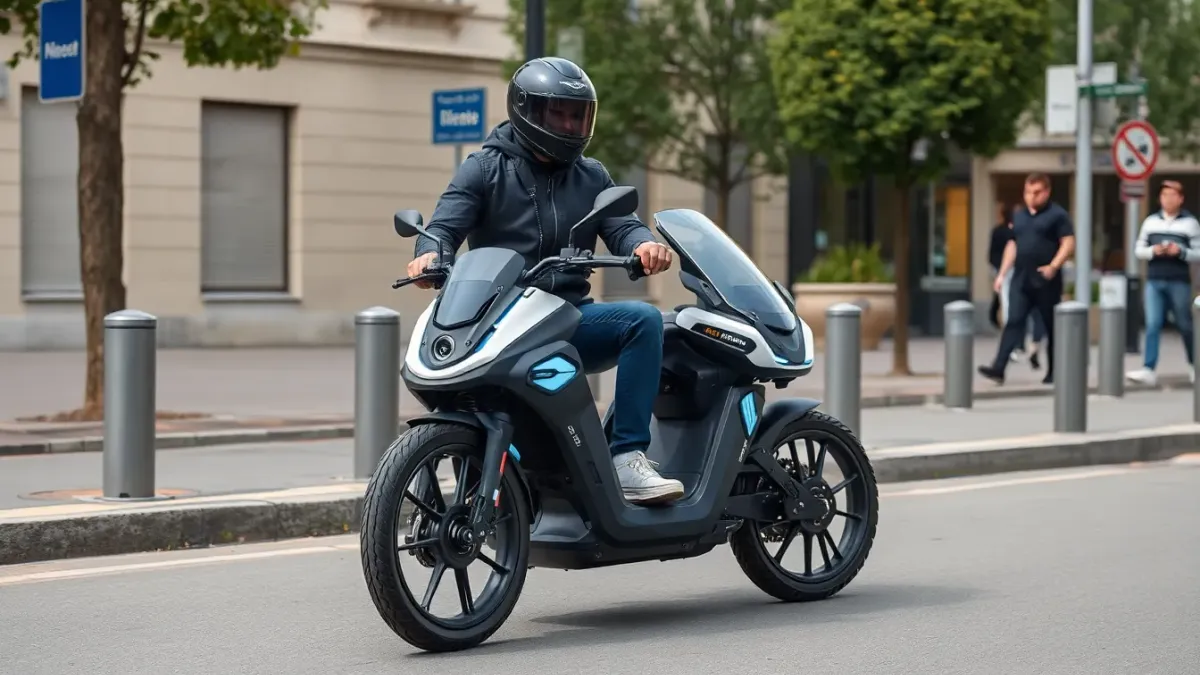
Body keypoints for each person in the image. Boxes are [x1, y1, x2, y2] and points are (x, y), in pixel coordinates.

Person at [406, 57, 684, 505]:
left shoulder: (592, 176)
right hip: (496, 322)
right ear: (526, 110)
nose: (571, 125)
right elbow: (442, 229)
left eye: (579, 116)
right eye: (559, 113)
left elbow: (622, 224)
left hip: (568, 318)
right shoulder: (483, 169)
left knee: (643, 320)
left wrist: (642, 244)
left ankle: (627, 456)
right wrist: (427, 257)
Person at [978, 173, 1076, 385]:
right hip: (1021, 277)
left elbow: (1068, 243)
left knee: (1051, 326)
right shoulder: (1020, 216)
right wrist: (1002, 274)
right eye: (1028, 192)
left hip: (1045, 277)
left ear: (1047, 192)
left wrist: (1054, 266)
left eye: (1037, 192)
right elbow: (1012, 245)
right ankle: (999, 368)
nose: (1032, 197)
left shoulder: (1057, 215)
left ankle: (1054, 371)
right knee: (1013, 321)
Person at [1126, 180, 1200, 386]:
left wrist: (1181, 252)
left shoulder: (1190, 223)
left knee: (1185, 324)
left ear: (1181, 199)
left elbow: (1198, 253)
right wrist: (1153, 251)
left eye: (1173, 195)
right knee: (1153, 323)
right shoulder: (1151, 222)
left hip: (1179, 280)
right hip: (1154, 279)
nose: (1168, 200)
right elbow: (1138, 249)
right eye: (1164, 195)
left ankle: (1195, 364)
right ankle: (1149, 368)